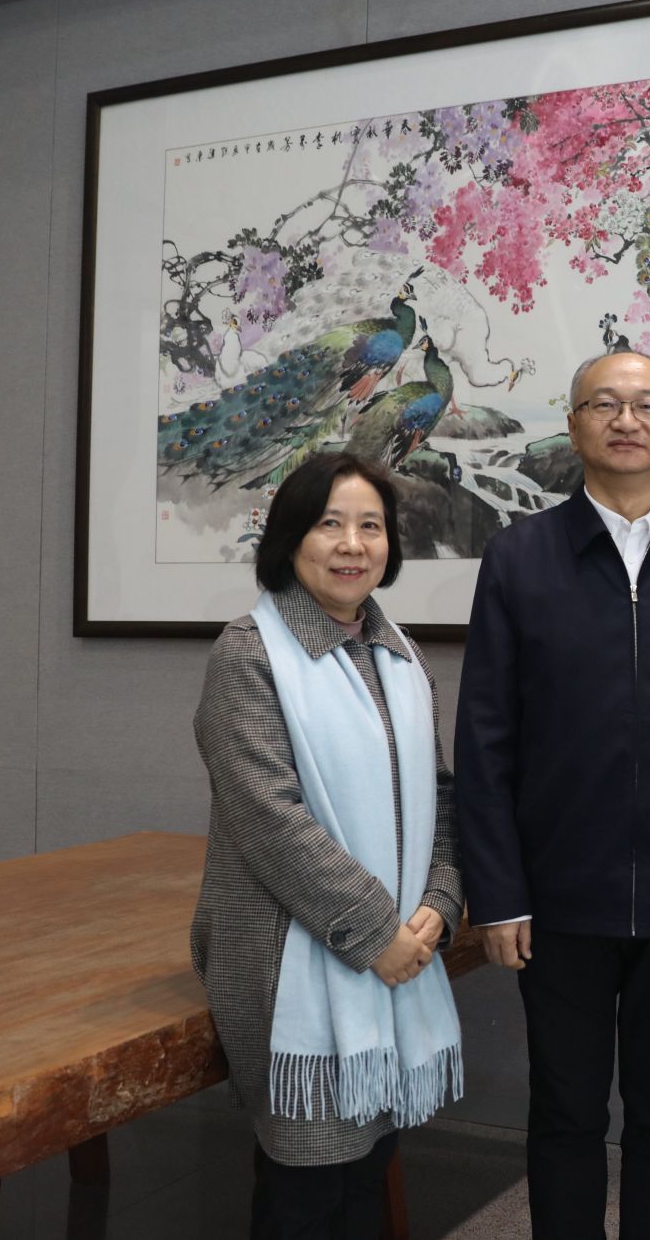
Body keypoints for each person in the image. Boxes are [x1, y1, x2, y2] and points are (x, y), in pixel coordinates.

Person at [454, 351, 650, 1240]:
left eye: (647, 405)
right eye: (605, 403)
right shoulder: (519, 557)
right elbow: (485, 739)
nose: (626, 419)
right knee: (565, 1109)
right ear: (574, 425)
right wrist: (499, 890)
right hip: (558, 896)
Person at [190, 450, 464, 1240]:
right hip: (289, 961)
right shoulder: (249, 653)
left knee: (365, 1175)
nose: (352, 543)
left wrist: (440, 901)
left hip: (397, 956)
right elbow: (269, 819)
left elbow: (439, 794)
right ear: (290, 538)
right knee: (307, 1187)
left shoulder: (398, 653)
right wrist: (380, 933)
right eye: (329, 523)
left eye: (370, 525)